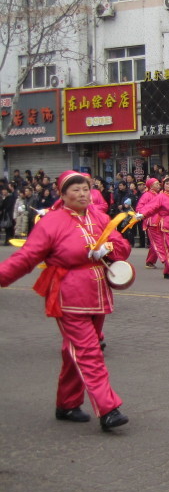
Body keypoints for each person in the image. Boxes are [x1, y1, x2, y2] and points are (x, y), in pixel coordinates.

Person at [0, 171, 130, 431]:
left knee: (75, 353)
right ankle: (108, 408)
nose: (83, 194)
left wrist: (110, 249)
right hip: (69, 295)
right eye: (76, 190)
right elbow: (27, 257)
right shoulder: (51, 222)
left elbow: (123, 247)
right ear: (62, 195)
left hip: (98, 294)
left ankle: (67, 404)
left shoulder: (100, 217)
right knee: (89, 352)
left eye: (86, 189)